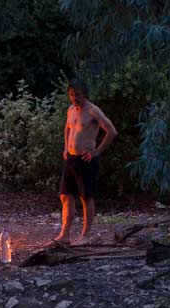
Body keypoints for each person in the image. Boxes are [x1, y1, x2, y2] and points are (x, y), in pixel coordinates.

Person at [55, 79, 117, 245]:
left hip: (86, 159)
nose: (75, 98)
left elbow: (111, 131)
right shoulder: (71, 110)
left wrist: (96, 151)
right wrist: (66, 147)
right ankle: (65, 234)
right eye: (72, 94)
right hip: (71, 158)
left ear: (85, 94)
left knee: (85, 197)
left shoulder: (92, 111)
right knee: (65, 195)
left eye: (78, 95)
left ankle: (85, 235)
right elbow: (68, 127)